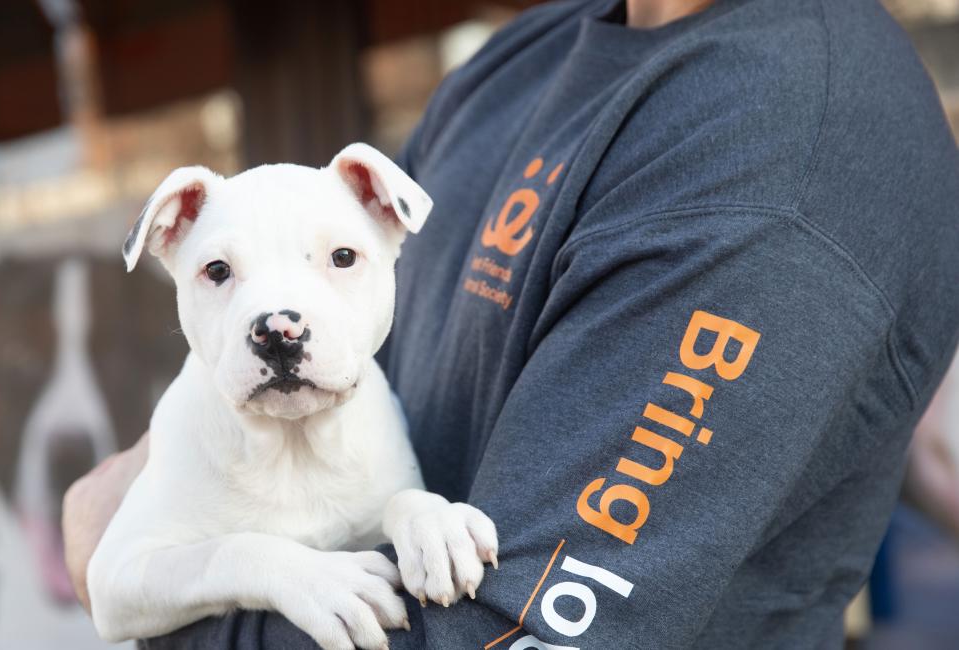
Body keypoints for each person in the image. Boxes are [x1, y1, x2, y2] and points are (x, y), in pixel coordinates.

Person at [62, 0, 959, 647]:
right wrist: (164, 479)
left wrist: (142, 559)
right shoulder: (522, 55)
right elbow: (329, 314)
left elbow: (510, 630)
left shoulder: (784, 154)